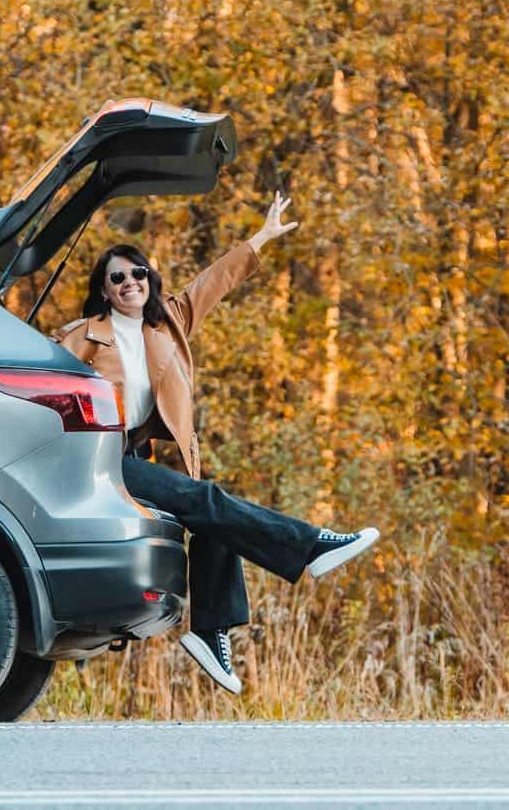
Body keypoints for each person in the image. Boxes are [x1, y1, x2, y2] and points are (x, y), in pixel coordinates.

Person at [52, 192, 379, 694]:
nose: (129, 283)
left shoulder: (168, 324)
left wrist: (262, 237)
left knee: (211, 516)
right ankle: (310, 546)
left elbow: (215, 280)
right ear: (103, 289)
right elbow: (46, 387)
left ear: (148, 279)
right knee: (207, 500)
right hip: (99, 460)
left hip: (136, 456)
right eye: (117, 277)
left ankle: (209, 632)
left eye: (137, 273)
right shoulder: (80, 337)